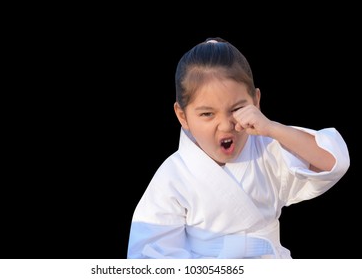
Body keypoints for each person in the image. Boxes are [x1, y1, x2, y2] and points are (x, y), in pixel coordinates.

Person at [127, 37, 350, 259]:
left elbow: (333, 163)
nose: (226, 125)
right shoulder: (174, 176)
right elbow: (147, 258)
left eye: (238, 109)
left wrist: (272, 128)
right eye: (207, 114)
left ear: (256, 101)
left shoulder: (267, 150)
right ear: (182, 116)